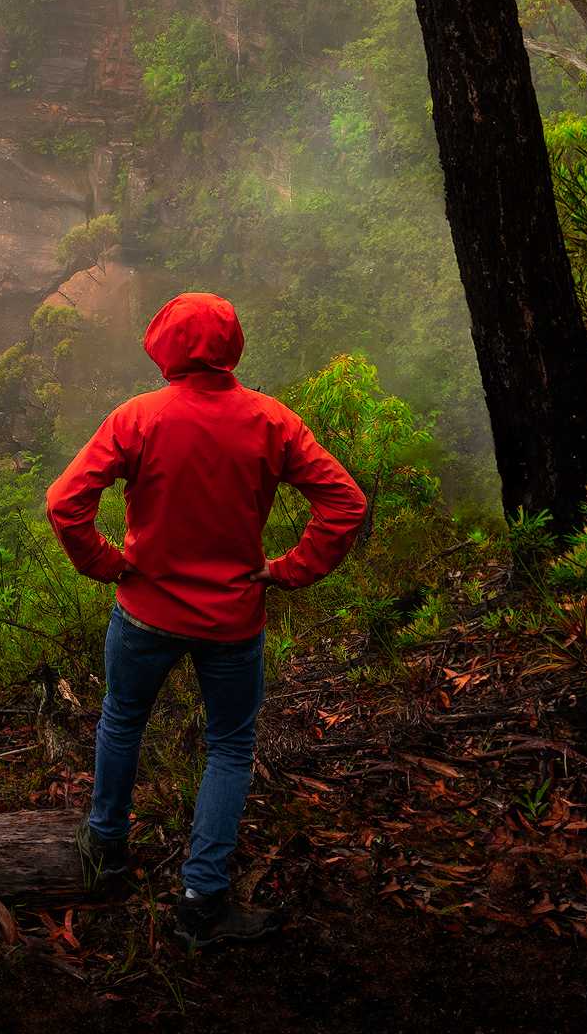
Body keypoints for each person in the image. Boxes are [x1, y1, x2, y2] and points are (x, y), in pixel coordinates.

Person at [46, 290, 367, 946]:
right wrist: (289, 568)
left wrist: (106, 563)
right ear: (232, 348)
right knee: (229, 746)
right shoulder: (271, 421)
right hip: (231, 620)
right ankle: (201, 900)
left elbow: (64, 502)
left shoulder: (137, 419)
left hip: (143, 612)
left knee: (122, 720)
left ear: (162, 347)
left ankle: (105, 849)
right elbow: (345, 503)